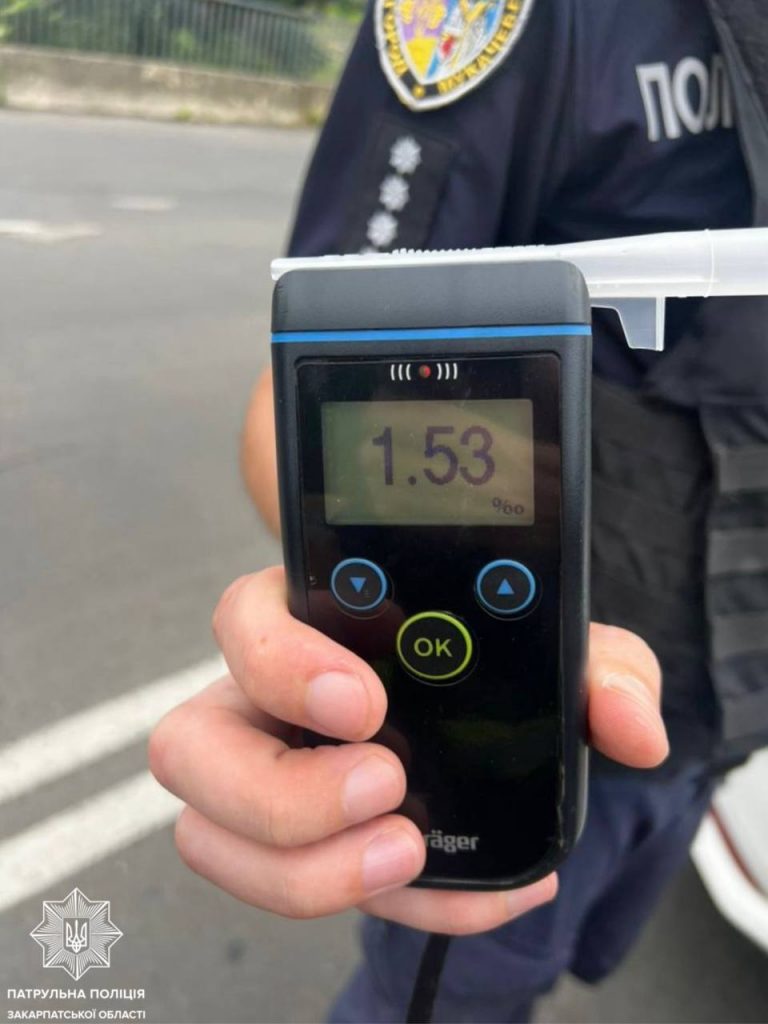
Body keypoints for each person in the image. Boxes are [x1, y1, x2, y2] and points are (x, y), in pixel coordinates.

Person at [150, 0, 768, 1020]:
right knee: (461, 989)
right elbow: (315, 378)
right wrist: (340, 604)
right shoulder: (528, 18)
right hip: (533, 726)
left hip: (726, 719)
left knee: (572, 959)